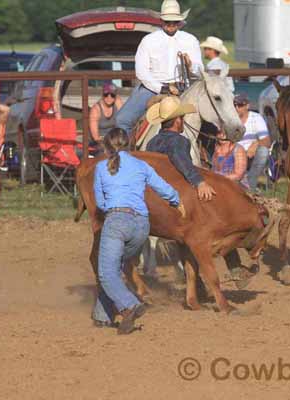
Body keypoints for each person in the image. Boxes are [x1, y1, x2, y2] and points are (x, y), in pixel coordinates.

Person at [93, 128, 184, 334]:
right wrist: (177, 201)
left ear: (107, 147)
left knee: (106, 272)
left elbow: (100, 202)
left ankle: (131, 305)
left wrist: (112, 209)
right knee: (113, 267)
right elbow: (163, 188)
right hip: (142, 226)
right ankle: (102, 316)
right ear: (129, 145)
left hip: (117, 221)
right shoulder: (142, 165)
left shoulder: (100, 168)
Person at [115, 0, 204, 135]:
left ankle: (210, 154)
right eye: (168, 21)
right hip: (152, 88)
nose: (171, 25)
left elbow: (199, 69)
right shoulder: (149, 40)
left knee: (210, 120)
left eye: (174, 22)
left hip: (184, 87)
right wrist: (163, 88)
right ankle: (126, 154)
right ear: (161, 20)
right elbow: (142, 72)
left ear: (179, 22)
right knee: (123, 120)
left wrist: (191, 66)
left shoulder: (190, 40)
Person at [145, 96, 216, 201]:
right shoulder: (178, 140)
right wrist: (199, 182)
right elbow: (180, 159)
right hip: (174, 191)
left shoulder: (152, 142)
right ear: (178, 120)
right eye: (182, 117)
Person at [234, 93, 270, 192]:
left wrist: (256, 143)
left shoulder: (256, 118)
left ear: (247, 106)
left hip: (251, 154)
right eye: (234, 105)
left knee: (263, 151)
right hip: (234, 153)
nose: (237, 108)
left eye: (240, 105)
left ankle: (250, 184)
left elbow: (267, 141)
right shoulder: (230, 119)